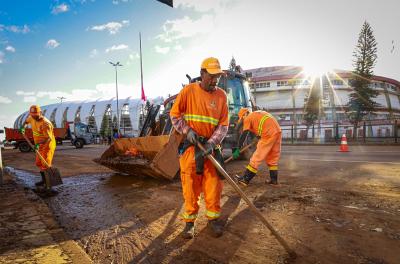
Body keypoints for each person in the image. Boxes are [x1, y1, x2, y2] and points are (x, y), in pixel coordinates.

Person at [170, 57, 229, 239]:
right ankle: (189, 223)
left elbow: (224, 125)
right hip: (191, 149)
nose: (214, 80)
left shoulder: (221, 96)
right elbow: (175, 115)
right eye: (211, 76)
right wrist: (187, 131)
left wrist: (212, 142)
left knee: (213, 186)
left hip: (210, 149)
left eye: (217, 76)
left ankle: (213, 220)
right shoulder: (188, 91)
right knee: (190, 187)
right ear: (202, 73)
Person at [233, 108, 282, 186]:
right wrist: (259, 136)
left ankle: (245, 180)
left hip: (268, 133)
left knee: (256, 158)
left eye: (241, 118)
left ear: (243, 115)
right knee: (272, 157)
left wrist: (238, 148)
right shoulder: (256, 114)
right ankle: (274, 180)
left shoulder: (247, 118)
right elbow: (262, 125)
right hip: (277, 131)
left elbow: (244, 134)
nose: (242, 121)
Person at [19, 105, 57, 194]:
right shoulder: (31, 118)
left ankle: (49, 187)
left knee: (46, 165)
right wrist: (23, 127)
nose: (34, 117)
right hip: (39, 145)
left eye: (36, 115)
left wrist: (38, 144)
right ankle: (44, 180)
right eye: (32, 115)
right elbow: (26, 121)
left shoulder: (45, 124)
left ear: (40, 113)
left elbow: (48, 138)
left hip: (47, 145)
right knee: (39, 163)